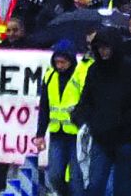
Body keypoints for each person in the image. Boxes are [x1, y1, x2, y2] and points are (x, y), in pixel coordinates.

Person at [75, 31, 131, 196]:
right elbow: (86, 99)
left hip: (125, 137)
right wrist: (85, 119)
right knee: (95, 185)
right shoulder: (94, 70)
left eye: (106, 48)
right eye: (99, 48)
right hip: (101, 136)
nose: (103, 52)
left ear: (115, 48)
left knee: (123, 188)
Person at [40, 42, 90, 196]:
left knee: (77, 178)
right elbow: (44, 107)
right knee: (54, 175)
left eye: (63, 62)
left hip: (77, 135)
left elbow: (88, 101)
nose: (59, 65)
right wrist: (40, 134)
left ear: (71, 60)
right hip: (57, 133)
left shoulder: (80, 75)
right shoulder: (49, 76)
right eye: (57, 62)